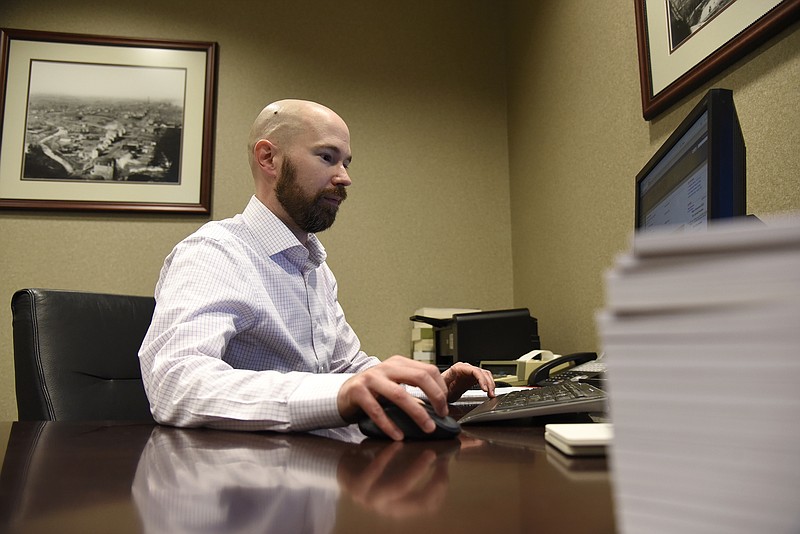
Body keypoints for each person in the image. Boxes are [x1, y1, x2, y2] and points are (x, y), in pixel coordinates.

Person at [138, 99, 495, 440]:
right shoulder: (214, 253)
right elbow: (174, 381)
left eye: (347, 163)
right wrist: (337, 397)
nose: (344, 177)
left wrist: (425, 390)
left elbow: (347, 371)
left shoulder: (313, 266)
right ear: (269, 158)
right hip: (242, 481)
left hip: (319, 475)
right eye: (327, 157)